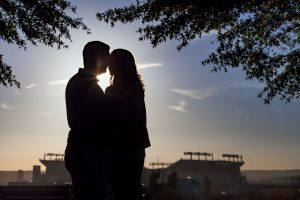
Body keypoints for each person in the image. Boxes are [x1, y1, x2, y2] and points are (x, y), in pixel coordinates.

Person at [64, 41, 114, 200]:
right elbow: (92, 120)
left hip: (84, 149)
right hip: (89, 151)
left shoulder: (79, 82)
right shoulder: (86, 85)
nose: (109, 63)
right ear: (97, 58)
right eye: (107, 58)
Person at [106, 49, 151, 200]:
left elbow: (121, 119)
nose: (108, 65)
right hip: (133, 148)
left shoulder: (119, 90)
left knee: (123, 192)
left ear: (121, 65)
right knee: (129, 191)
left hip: (124, 149)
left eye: (112, 61)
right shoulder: (135, 88)